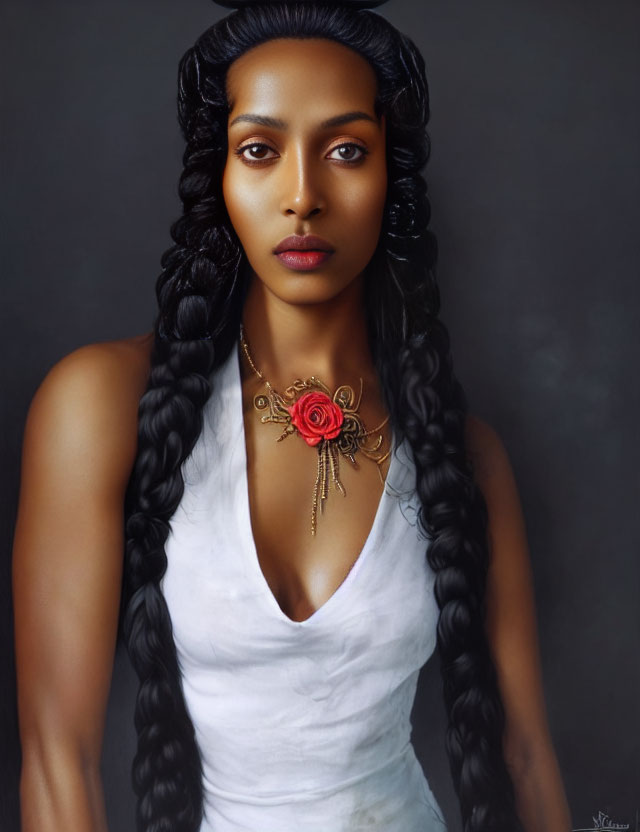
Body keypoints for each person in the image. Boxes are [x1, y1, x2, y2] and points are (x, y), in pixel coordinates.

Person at [12, 1, 573, 830]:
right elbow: (57, 757)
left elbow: (525, 755)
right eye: (260, 151)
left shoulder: (466, 457)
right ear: (220, 175)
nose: (303, 196)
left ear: (394, 177)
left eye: (347, 150)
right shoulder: (98, 404)